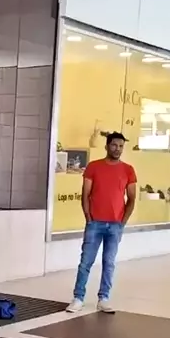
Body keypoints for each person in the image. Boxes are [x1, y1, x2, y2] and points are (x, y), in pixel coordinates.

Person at [67, 132, 136, 314]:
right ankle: (78, 298)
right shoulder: (93, 167)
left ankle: (103, 298)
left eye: (121, 146)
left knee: (109, 263)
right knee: (85, 262)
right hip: (95, 223)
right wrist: (88, 217)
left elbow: (132, 198)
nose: (117, 149)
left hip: (115, 225)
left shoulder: (128, 170)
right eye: (114, 145)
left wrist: (122, 222)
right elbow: (85, 194)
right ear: (107, 146)